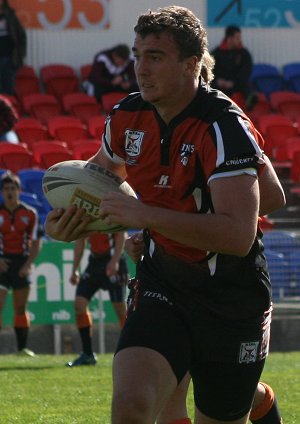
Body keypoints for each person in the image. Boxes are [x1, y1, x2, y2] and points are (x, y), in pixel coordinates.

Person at [45, 5, 286, 424]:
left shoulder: (223, 125)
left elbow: (238, 235)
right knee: (133, 404)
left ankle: (256, 400)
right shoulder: (126, 117)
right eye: (137, 55)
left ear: (192, 64)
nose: (140, 67)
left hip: (230, 293)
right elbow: (98, 181)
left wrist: (149, 215)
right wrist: (65, 220)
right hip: (163, 282)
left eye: (154, 56)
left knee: (223, 413)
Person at [66, 231, 128, 367]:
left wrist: (115, 261)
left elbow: (122, 234)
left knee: (120, 309)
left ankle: (131, 352)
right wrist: (74, 269)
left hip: (113, 260)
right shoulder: (86, 213)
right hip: (94, 263)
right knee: (79, 304)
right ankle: (87, 354)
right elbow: (80, 240)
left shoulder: (110, 211)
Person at [0, 172, 42, 356]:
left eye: (13, 189)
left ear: (19, 191)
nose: (10, 192)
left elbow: (36, 242)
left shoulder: (29, 214)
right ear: (2, 192)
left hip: (21, 264)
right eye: (6, 189)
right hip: (1, 263)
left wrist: (28, 265)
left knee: (20, 308)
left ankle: (22, 349)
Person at [211, 25, 257, 110]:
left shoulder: (244, 54)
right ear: (230, 38)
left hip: (236, 84)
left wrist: (233, 83)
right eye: (237, 37)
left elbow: (246, 71)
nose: (240, 40)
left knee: (245, 84)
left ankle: (249, 101)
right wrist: (218, 81)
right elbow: (210, 71)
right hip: (219, 84)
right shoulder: (216, 53)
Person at [0, 0, 27, 95]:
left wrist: (20, 55)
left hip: (9, 59)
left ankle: (8, 109)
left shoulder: (11, 17)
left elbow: (21, 37)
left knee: (9, 89)